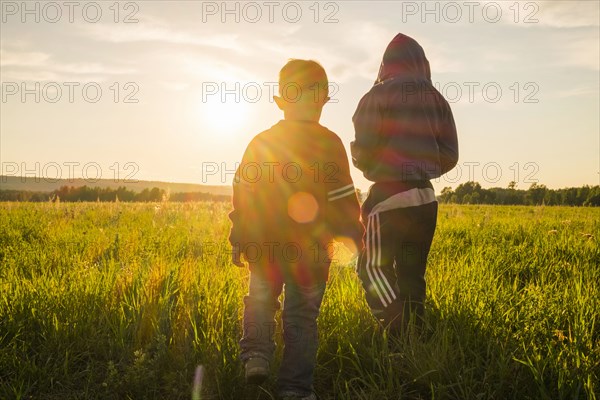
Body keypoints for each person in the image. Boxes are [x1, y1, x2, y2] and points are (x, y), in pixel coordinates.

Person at [229, 59, 364, 400]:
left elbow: (243, 193)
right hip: (312, 252)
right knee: (301, 318)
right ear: (324, 98)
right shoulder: (329, 144)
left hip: (265, 245)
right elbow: (343, 199)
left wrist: (239, 236)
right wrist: (355, 238)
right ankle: (294, 389)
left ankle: (257, 355)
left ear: (280, 100)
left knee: (260, 300)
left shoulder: (262, 142)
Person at [351, 33, 459, 333]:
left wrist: (379, 168)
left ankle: (394, 328)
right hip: (425, 198)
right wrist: (421, 166)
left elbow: (363, 149)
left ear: (386, 63)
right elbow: (450, 154)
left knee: (372, 268)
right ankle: (417, 334)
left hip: (388, 198)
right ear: (422, 63)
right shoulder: (437, 98)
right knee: (412, 274)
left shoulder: (376, 95)